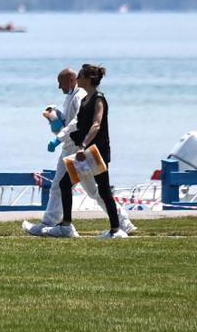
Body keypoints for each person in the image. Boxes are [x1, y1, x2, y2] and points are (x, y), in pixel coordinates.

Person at [24, 67, 134, 237]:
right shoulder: (78, 98)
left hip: (81, 149)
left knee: (72, 187)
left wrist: (59, 138)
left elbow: (81, 123)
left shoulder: (87, 97)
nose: (59, 88)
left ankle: (54, 223)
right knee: (90, 190)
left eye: (61, 84)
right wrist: (56, 119)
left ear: (73, 79)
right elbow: (74, 122)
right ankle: (120, 223)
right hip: (77, 147)